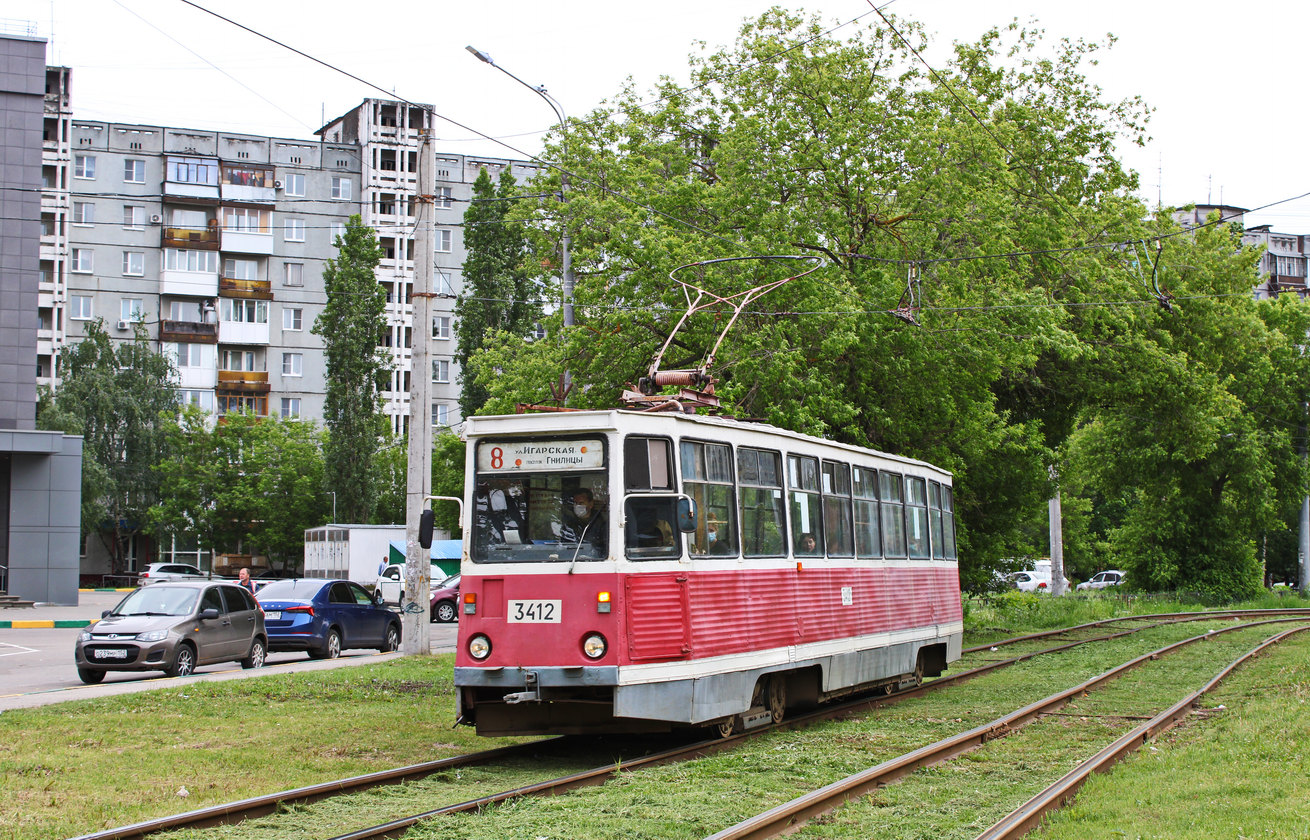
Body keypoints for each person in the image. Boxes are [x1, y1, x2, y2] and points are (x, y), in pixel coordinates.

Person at [561, 487, 607, 556]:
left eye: (581, 503)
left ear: (590, 504)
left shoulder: (601, 525)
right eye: (575, 503)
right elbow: (564, 546)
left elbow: (604, 549)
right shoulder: (569, 525)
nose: (577, 506)